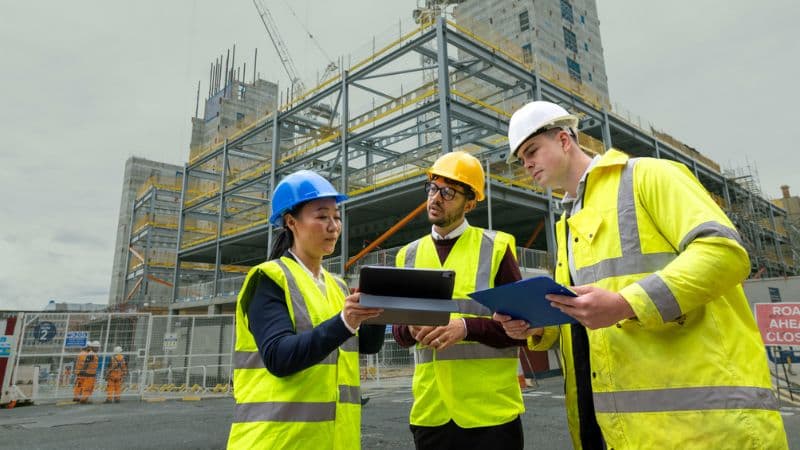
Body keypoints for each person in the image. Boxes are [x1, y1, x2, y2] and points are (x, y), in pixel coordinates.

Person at [497, 100, 788, 449]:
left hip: (704, 430)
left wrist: (626, 303)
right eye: (520, 158)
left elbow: (725, 253)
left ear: (564, 140)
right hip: (612, 430)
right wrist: (538, 328)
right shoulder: (566, 224)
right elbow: (583, 320)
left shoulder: (649, 175)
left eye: (532, 150)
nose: (526, 163)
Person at [227, 170, 385, 449]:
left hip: (336, 441)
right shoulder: (269, 279)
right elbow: (279, 356)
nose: (334, 226)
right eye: (322, 216)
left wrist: (376, 312)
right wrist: (344, 322)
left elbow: (365, 347)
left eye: (337, 217)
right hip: (279, 441)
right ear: (291, 222)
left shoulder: (337, 286)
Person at [392, 151, 527, 450]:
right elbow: (399, 334)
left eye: (448, 192)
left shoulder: (496, 248)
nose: (436, 198)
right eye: (432, 188)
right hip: (432, 414)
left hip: (490, 416)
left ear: (470, 202)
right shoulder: (408, 255)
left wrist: (465, 328)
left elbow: (521, 329)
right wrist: (410, 329)